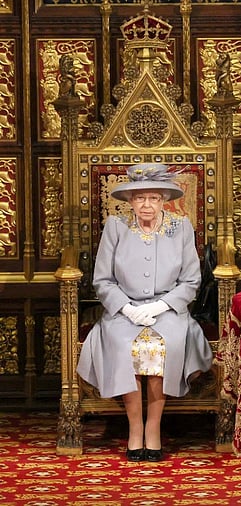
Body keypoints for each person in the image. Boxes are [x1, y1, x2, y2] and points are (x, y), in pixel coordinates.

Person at [77, 163, 213, 463]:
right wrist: (126, 307)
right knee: (126, 346)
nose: (146, 205)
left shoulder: (181, 228)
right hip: (122, 311)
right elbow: (102, 280)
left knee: (162, 347)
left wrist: (161, 306)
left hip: (169, 310)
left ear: (164, 198)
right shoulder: (116, 227)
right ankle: (135, 426)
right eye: (140, 198)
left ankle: (153, 427)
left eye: (153, 198)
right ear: (130, 201)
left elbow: (191, 281)